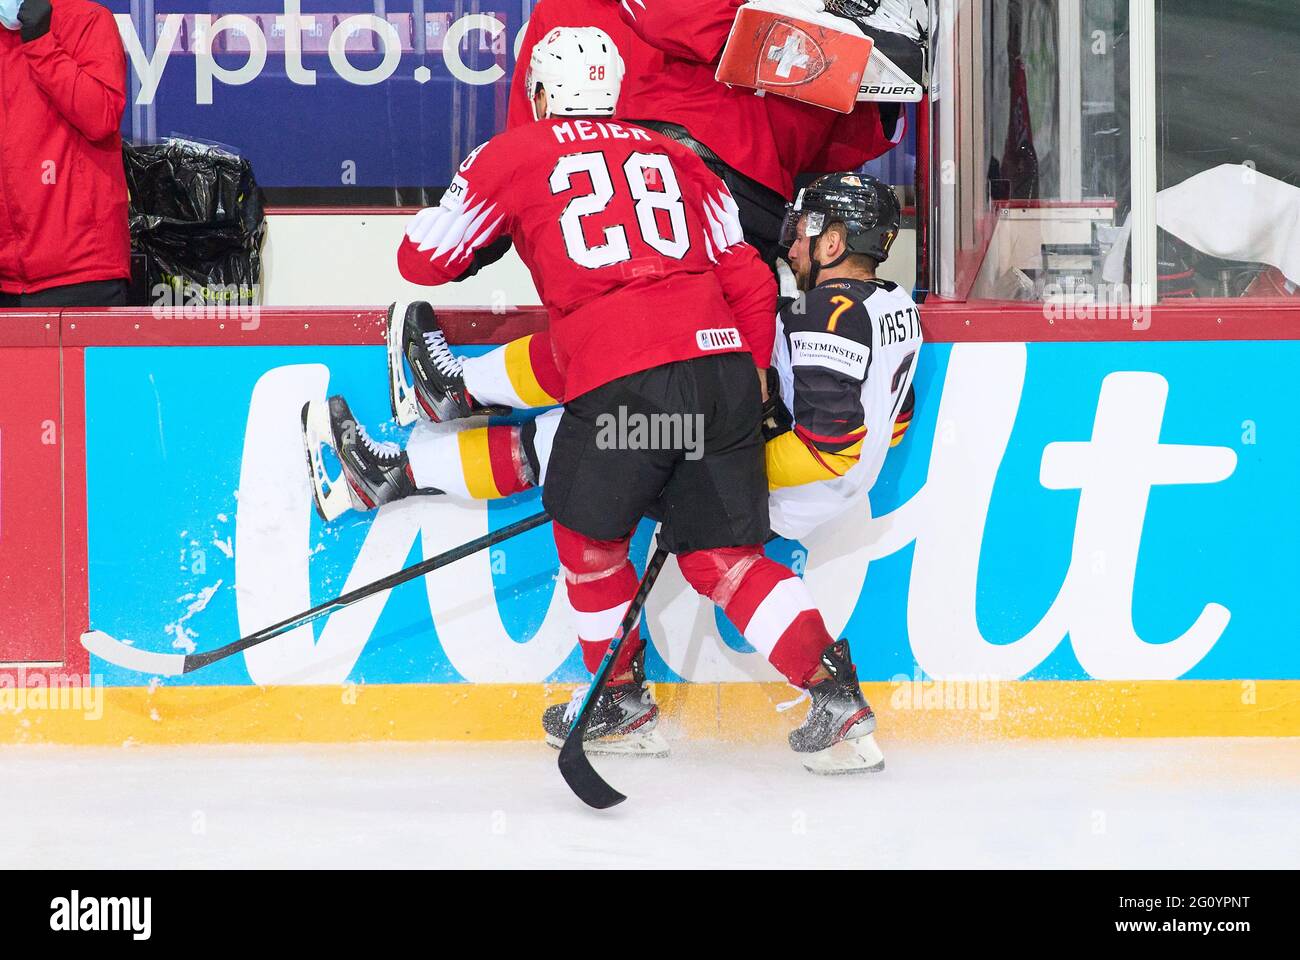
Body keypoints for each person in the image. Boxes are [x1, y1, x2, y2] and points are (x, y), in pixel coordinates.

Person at [304, 29, 891, 774]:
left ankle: (618, 700)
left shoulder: (514, 152)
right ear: (618, 92)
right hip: (721, 379)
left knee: (588, 534)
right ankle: (836, 700)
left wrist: (502, 215)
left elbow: (423, 259)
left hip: (625, 380)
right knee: (727, 560)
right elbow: (749, 276)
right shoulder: (681, 157)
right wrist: (753, 375)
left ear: (541, 94)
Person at [0, 0, 131, 307]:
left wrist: (41, 44)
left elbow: (101, 117)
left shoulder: (88, 19)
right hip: (6, 277)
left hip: (80, 272)